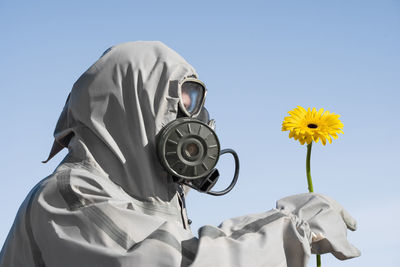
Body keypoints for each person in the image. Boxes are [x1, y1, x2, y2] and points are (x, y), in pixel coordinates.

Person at [0, 41, 360, 267]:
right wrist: (291, 229)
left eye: (193, 111)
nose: (193, 127)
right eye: (174, 111)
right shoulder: (67, 198)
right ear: (129, 113)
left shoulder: (146, 205)